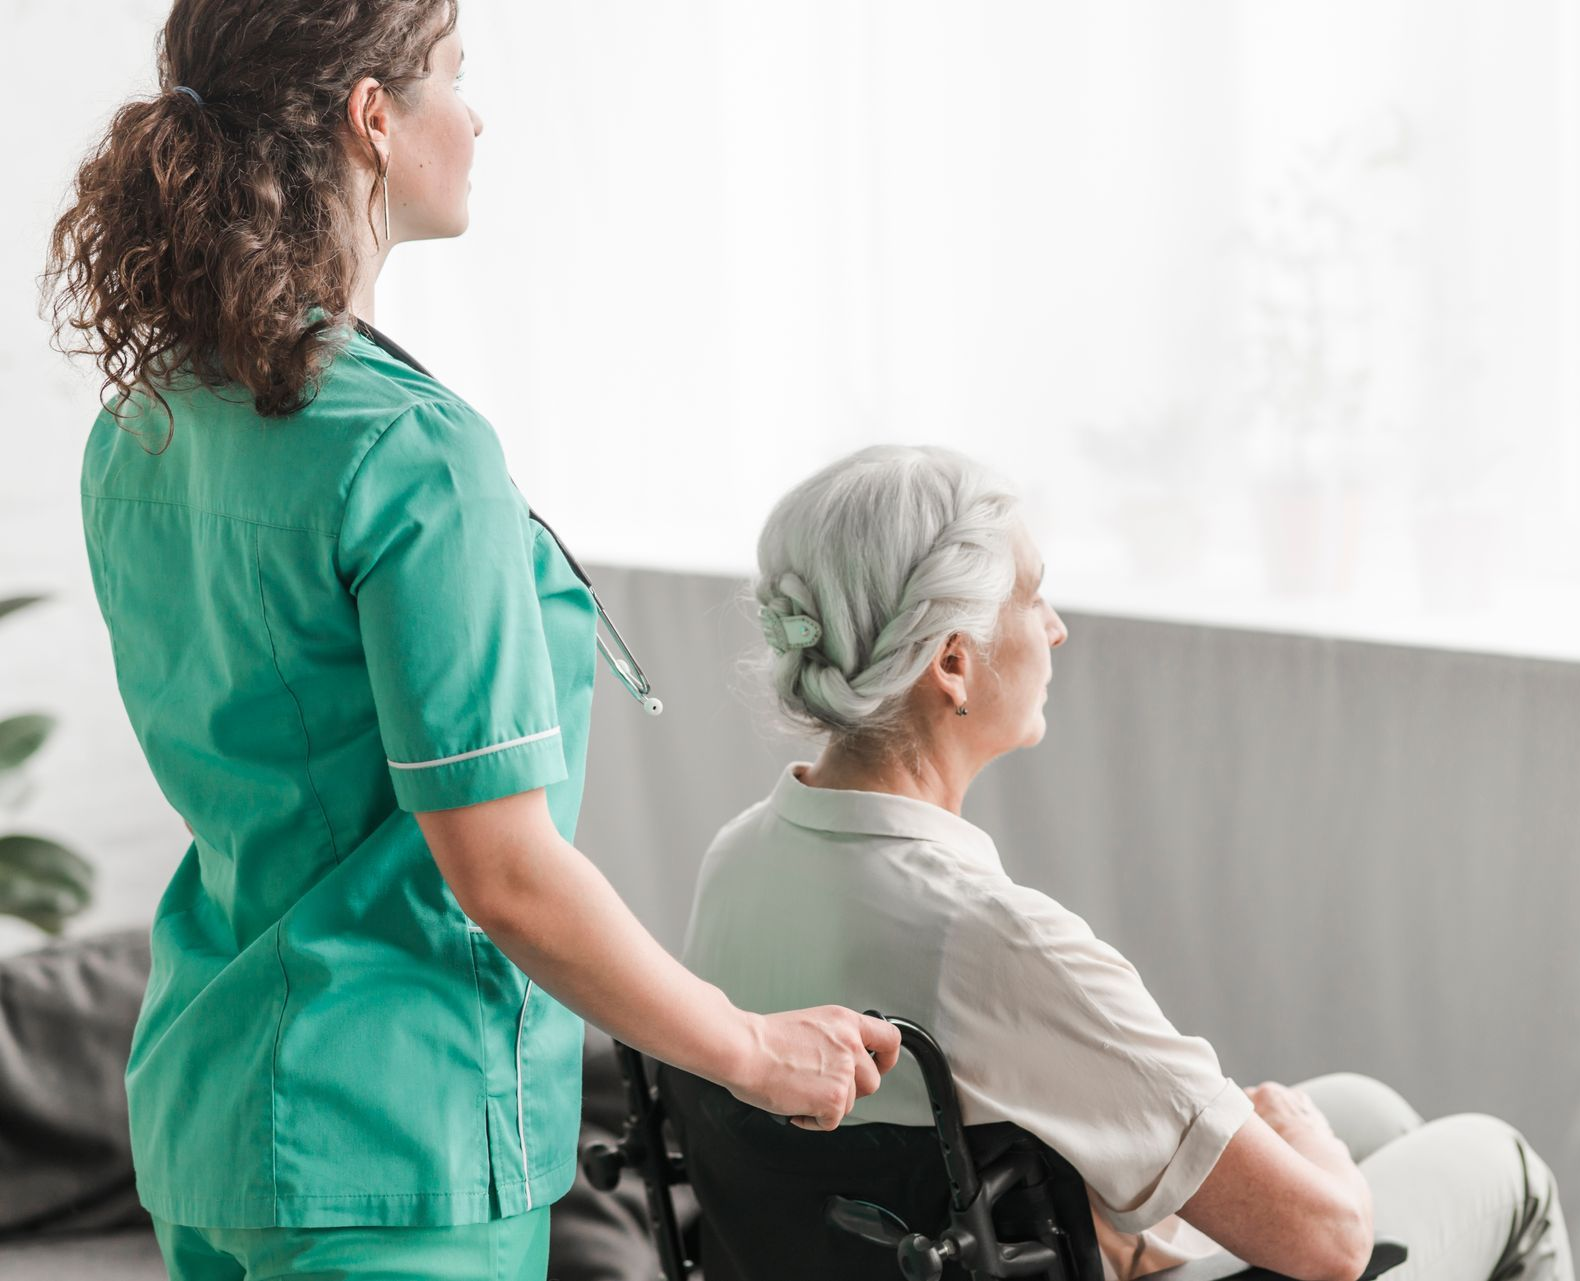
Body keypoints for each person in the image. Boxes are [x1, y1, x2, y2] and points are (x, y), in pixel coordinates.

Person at [43, 4, 900, 1278]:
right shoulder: (412, 452)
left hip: (211, 1120)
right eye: (455, 76)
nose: (477, 114)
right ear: (370, 120)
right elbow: (499, 869)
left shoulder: (145, 425)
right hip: (394, 1150)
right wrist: (748, 1049)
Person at [680, 444, 1573, 1281]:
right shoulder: (995, 941)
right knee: (1501, 1165)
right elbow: (1333, 1242)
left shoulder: (733, 864)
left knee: (1364, 1106)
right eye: (1034, 596)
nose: (1058, 629)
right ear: (952, 663)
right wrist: (1327, 1165)